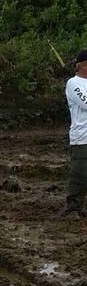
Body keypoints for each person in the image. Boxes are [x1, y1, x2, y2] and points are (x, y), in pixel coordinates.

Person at [64, 49, 87, 217]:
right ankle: (73, 207)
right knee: (80, 173)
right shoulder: (73, 83)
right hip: (82, 137)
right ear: (83, 66)